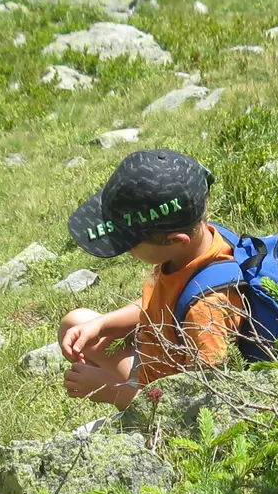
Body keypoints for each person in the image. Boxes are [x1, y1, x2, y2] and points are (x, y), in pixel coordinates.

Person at [58, 149, 245, 409]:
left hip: (166, 396)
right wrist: (103, 325)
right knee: (75, 324)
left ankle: (133, 416)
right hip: (157, 359)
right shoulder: (199, 245)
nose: (129, 253)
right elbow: (163, 301)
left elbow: (200, 406)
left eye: (131, 245)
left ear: (175, 240)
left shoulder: (205, 311)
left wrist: (109, 390)